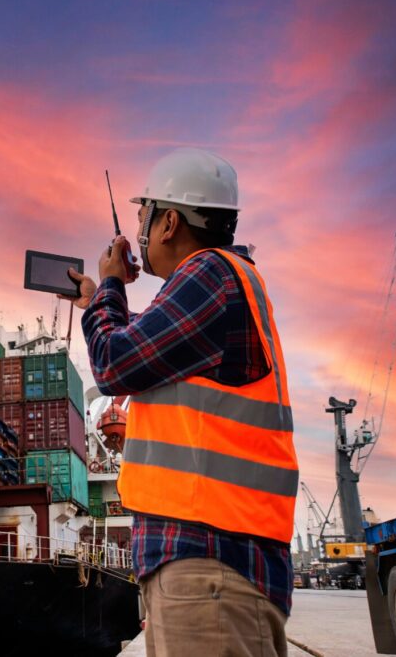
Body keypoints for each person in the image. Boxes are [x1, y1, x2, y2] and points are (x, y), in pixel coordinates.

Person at [64, 148, 298, 656]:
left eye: (144, 216)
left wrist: (108, 285)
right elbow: (144, 353)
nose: (140, 232)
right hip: (212, 559)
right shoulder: (220, 280)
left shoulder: (209, 275)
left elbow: (113, 363)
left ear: (169, 221)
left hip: (211, 561)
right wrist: (100, 300)